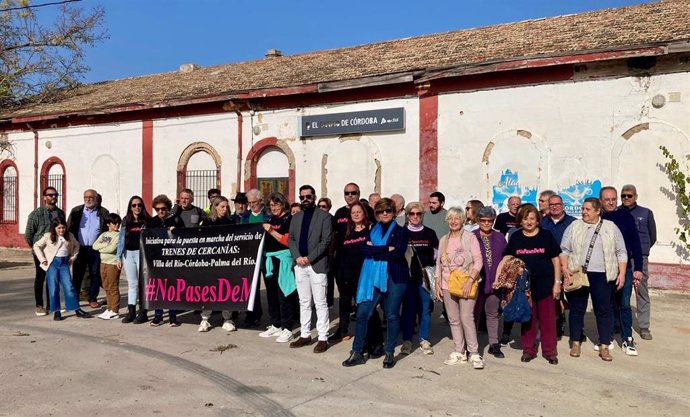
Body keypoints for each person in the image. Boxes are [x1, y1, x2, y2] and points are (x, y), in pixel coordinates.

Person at [342, 198, 409, 369]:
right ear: (376, 214)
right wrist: (386, 248)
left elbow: (398, 253)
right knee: (363, 313)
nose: (384, 213)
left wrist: (376, 250)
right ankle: (357, 351)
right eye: (380, 211)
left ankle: (389, 353)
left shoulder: (401, 231)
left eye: (388, 210)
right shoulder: (371, 230)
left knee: (392, 314)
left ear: (393, 212)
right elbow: (364, 250)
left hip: (394, 277)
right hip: (371, 277)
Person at [560, 197, 627, 361]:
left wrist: (622, 273)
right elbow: (564, 249)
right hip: (579, 273)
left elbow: (621, 252)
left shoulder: (610, 228)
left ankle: (604, 345)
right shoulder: (575, 226)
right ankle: (575, 342)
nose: (584, 212)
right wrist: (565, 269)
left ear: (598, 211)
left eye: (587, 209)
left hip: (602, 275)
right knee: (576, 310)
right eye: (583, 209)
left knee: (603, 311)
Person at [503, 204, 562, 365]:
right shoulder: (516, 238)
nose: (528, 222)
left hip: (546, 285)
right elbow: (507, 259)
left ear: (537, 220)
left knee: (548, 320)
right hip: (524, 288)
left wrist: (557, 283)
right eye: (525, 218)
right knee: (528, 319)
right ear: (520, 221)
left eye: (532, 218)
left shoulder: (546, 236)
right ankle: (528, 349)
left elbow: (556, 260)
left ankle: (550, 351)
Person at [434, 207, 484, 369]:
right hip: (447, 284)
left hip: (466, 282)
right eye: (450, 218)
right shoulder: (444, 240)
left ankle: (474, 353)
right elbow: (439, 263)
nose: (454, 221)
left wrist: (471, 279)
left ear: (463, 220)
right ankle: (459, 351)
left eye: (457, 218)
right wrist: (437, 283)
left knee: (466, 318)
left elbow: (478, 260)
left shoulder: (470, 238)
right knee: (454, 320)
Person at [287, 185, 332, 353]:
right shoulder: (296, 217)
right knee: (304, 302)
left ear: (314, 197)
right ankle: (305, 335)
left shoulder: (324, 217)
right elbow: (291, 239)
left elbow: (325, 241)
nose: (305, 199)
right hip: (299, 265)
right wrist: (298, 257)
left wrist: (309, 258)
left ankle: (322, 337)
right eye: (302, 197)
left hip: (317, 264)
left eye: (308, 196)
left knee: (320, 302)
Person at [600, 186, 643, 356]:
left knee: (624, 304)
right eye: (607, 199)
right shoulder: (598, 218)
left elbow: (636, 244)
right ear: (601, 200)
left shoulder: (626, 217)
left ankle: (627, 339)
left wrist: (638, 268)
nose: (611, 202)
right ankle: (608, 337)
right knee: (608, 304)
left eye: (613, 199)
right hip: (603, 268)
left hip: (625, 267)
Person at [32, 218, 93, 321]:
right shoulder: (48, 236)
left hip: (64, 264)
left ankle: (76, 309)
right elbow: (36, 246)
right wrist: (42, 259)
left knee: (69, 286)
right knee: (53, 288)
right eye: (59, 228)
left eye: (63, 228)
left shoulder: (69, 236)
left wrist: (73, 257)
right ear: (54, 228)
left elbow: (77, 246)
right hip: (53, 264)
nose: (61, 230)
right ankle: (56, 311)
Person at [258, 192, 298, 343]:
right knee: (271, 294)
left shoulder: (289, 219)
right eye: (271, 205)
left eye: (277, 204)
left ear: (283, 204)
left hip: (283, 259)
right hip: (270, 259)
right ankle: (276, 324)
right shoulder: (270, 219)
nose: (274, 207)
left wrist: (271, 231)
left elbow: (287, 241)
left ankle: (287, 328)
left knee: (284, 294)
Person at [330, 201, 372, 343]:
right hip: (346, 273)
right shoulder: (346, 231)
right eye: (353, 212)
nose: (356, 214)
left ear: (364, 213)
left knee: (362, 305)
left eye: (358, 212)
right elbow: (339, 251)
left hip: (363, 275)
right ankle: (342, 330)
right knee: (344, 302)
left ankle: (366, 334)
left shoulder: (370, 230)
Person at [401, 201, 438, 355]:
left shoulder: (430, 233)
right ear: (408, 215)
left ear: (422, 215)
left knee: (425, 309)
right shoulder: (402, 233)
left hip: (425, 279)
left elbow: (436, 254)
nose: (415, 216)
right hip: (408, 278)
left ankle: (424, 339)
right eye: (412, 213)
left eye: (418, 214)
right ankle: (407, 341)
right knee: (408, 310)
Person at [619, 184, 656, 341]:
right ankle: (617, 324)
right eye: (624, 196)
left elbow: (652, 236)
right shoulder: (617, 213)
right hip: (621, 258)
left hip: (639, 258)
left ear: (636, 196)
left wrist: (642, 251)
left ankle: (644, 326)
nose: (626, 198)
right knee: (619, 290)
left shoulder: (646, 213)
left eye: (629, 195)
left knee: (641, 291)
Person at [197, 196, 237, 333]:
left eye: (226, 207)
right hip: (210, 261)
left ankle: (227, 318)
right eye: (222, 207)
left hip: (227, 261)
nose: (225, 209)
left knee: (226, 289)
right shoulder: (207, 222)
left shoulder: (232, 222)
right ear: (215, 207)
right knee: (208, 289)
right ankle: (205, 319)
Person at [472, 206, 507, 358]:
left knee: (492, 313)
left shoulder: (499, 237)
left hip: (494, 282)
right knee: (473, 314)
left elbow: (505, 257)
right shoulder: (471, 236)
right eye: (483, 220)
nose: (486, 223)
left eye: (490, 221)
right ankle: (471, 345)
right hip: (476, 282)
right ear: (478, 221)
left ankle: (494, 343)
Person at [25, 186, 66, 315]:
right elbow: (28, 234)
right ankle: (39, 305)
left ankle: (52, 305)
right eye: (50, 195)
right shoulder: (36, 214)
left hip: (55, 251)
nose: (53, 197)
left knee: (52, 278)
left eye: (55, 195)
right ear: (44, 197)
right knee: (40, 277)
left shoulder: (59, 213)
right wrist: (37, 248)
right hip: (41, 251)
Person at [540, 194, 576, 339]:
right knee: (553, 298)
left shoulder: (573, 223)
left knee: (573, 299)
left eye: (558, 204)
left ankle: (577, 330)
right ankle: (556, 327)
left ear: (563, 205)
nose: (554, 207)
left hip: (569, 266)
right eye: (552, 205)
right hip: (548, 267)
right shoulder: (542, 223)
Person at [67, 188, 109, 309]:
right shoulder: (76, 211)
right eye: (86, 197)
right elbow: (69, 228)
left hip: (95, 249)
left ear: (96, 199)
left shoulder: (103, 212)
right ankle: (74, 298)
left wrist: (103, 245)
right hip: (79, 248)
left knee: (95, 274)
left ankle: (92, 298)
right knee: (77, 274)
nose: (88, 199)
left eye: (91, 197)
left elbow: (107, 231)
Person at [146, 194, 185, 327]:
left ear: (168, 208)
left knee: (171, 287)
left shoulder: (176, 219)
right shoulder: (151, 222)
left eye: (163, 208)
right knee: (158, 287)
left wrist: (176, 231)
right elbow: (147, 240)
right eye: (157, 209)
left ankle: (173, 317)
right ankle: (158, 316)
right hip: (157, 259)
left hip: (172, 258)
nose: (160, 211)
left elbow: (185, 237)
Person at [117, 195, 151, 324]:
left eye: (139, 205)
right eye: (134, 205)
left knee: (143, 283)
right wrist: (118, 257)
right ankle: (131, 311)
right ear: (130, 207)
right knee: (132, 284)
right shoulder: (126, 220)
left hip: (141, 254)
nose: (137, 207)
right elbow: (121, 239)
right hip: (128, 254)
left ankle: (143, 312)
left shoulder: (147, 221)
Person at [240, 188, 268, 327]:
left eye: (254, 202)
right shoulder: (245, 216)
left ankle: (277, 318)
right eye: (249, 203)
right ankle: (252, 315)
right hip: (251, 256)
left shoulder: (267, 214)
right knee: (252, 289)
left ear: (261, 201)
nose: (252, 205)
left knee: (271, 287)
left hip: (266, 256)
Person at [93, 213, 123, 320]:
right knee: (106, 286)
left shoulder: (119, 235)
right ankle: (109, 308)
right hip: (103, 263)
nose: (117, 225)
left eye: (118, 223)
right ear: (108, 224)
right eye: (114, 223)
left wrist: (103, 247)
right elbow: (95, 245)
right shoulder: (104, 234)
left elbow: (112, 249)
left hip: (113, 264)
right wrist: (105, 245)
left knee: (113, 286)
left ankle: (115, 310)